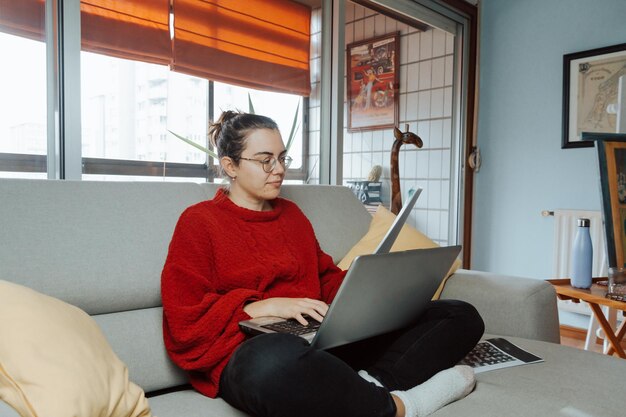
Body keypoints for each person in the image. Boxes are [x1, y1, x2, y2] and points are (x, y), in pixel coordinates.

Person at [161, 110, 485, 417]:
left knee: (458, 314)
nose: (279, 169)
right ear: (230, 166)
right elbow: (184, 320)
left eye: (281, 157)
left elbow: (325, 279)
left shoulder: (292, 216)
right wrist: (262, 307)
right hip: (252, 350)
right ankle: (402, 407)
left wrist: (370, 291)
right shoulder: (199, 222)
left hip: (319, 340)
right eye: (265, 160)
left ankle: (369, 387)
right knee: (272, 362)